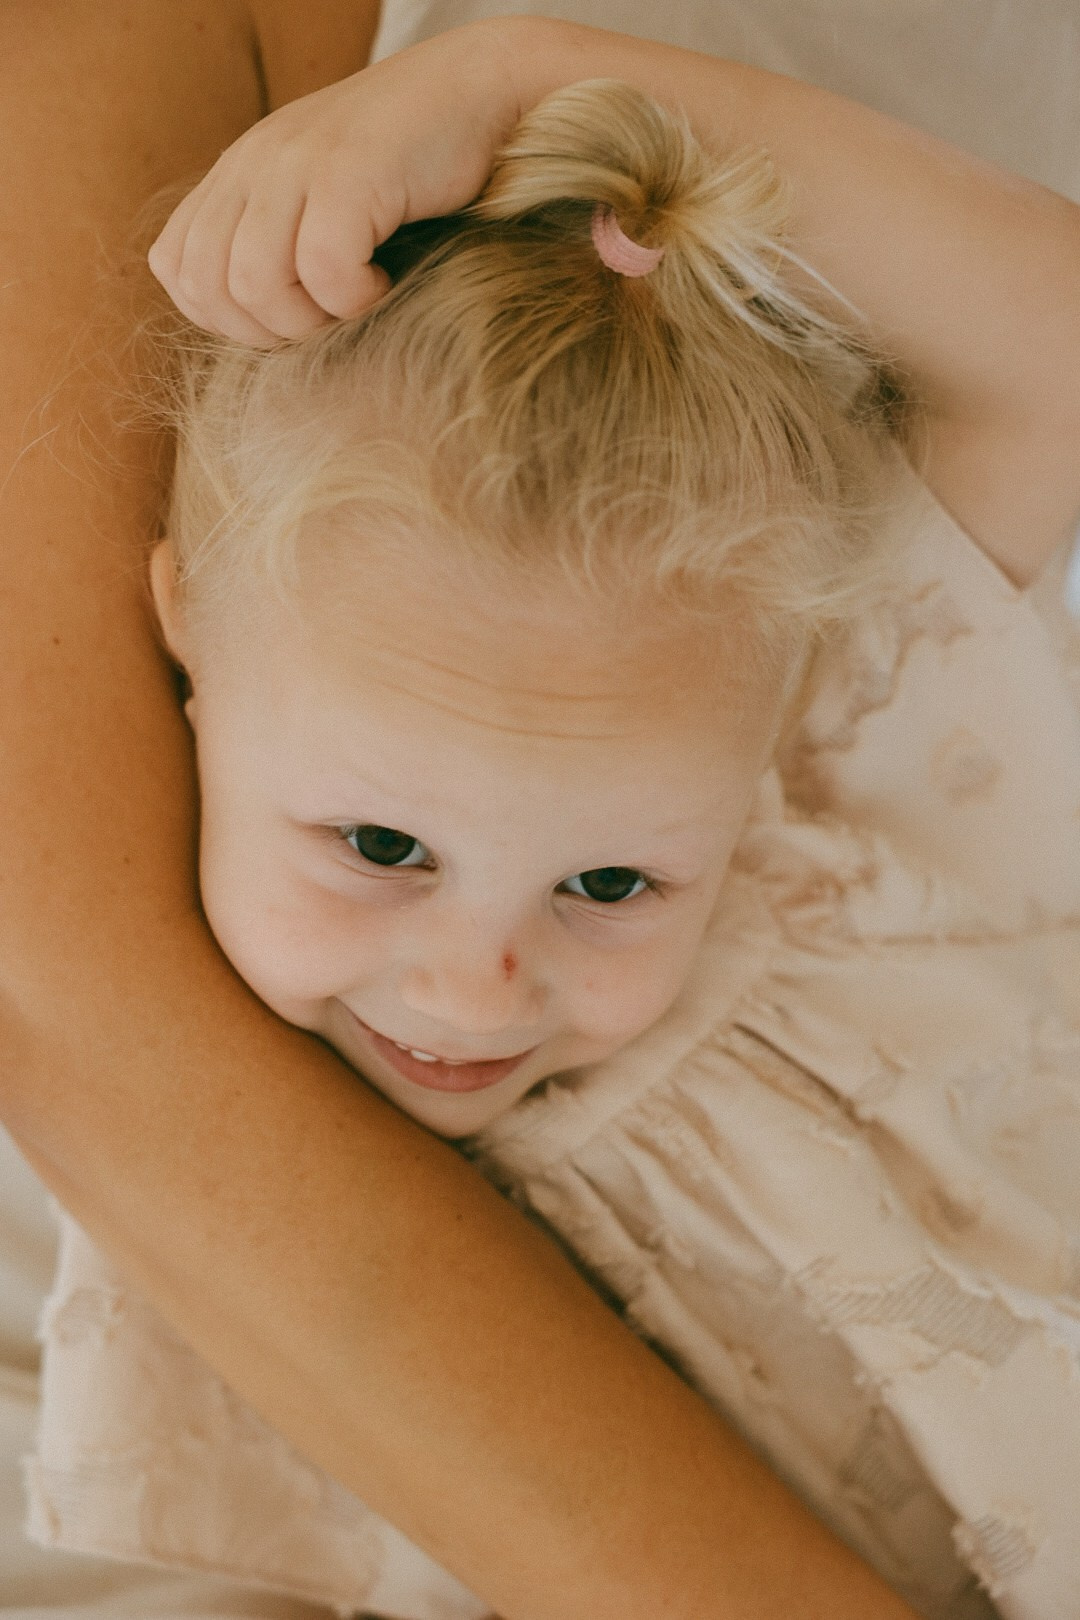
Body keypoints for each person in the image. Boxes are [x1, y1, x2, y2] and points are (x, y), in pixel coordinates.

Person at [32, 17, 1080, 1620]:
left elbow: (1053, 323)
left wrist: (525, 89)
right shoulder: (204, 1172)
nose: (473, 987)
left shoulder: (817, 759)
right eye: (381, 850)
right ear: (186, 640)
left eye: (610, 879)